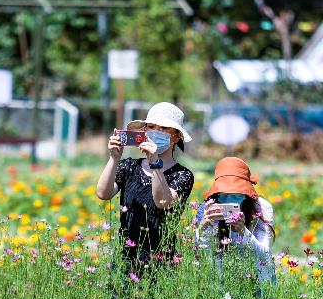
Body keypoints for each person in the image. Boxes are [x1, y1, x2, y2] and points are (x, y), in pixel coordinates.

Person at [95, 102, 195, 276]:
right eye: (151, 127)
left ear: (176, 137)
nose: (156, 131)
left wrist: (155, 162)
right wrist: (114, 158)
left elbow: (163, 201)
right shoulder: (129, 166)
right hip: (125, 256)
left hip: (160, 261)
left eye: (163, 128)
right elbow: (103, 193)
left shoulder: (183, 175)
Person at [194, 157, 277, 286]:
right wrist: (203, 228)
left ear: (246, 193)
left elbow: (264, 254)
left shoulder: (262, 207)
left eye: (236, 194)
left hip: (257, 277)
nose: (229, 199)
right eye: (224, 194)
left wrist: (243, 231)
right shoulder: (207, 208)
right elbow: (200, 254)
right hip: (219, 278)